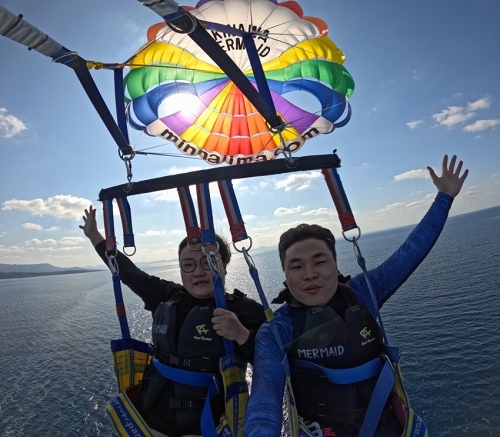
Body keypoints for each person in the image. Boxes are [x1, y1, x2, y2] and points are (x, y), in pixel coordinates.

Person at [243, 154, 469, 437]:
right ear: (285, 276)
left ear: (336, 265)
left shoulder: (364, 293)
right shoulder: (277, 331)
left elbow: (410, 253)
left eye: (319, 261)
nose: (309, 274)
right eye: (297, 267)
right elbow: (265, 397)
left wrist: (444, 198)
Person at [80, 206, 266, 437]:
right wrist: (94, 235)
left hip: (209, 425)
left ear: (225, 266)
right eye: (188, 264)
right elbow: (128, 272)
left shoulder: (245, 310)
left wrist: (241, 334)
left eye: (208, 261)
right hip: (152, 419)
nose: (198, 272)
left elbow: (273, 364)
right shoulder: (166, 295)